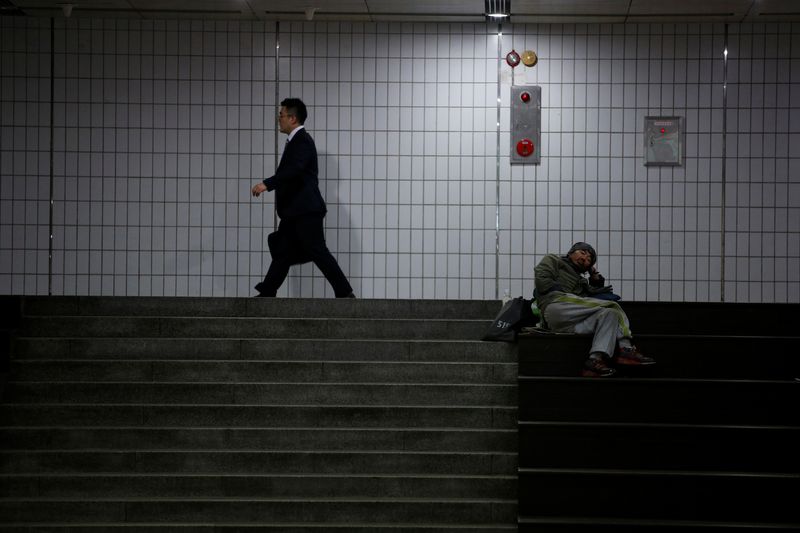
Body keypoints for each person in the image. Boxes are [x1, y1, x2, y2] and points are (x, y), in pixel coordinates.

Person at [251, 98, 354, 298]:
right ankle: (267, 293)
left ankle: (344, 292)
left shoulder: (303, 141)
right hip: (295, 212)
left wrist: (267, 184)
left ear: (293, 118)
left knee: (317, 251)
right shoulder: (296, 141)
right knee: (283, 251)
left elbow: (294, 169)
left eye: (281, 115)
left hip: (305, 211)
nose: (278, 119)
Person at [533, 242, 655, 377]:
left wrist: (594, 278)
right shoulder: (553, 259)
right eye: (583, 252)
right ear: (571, 252)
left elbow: (590, 301)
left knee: (610, 314)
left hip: (571, 322)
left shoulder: (582, 282)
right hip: (555, 305)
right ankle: (626, 348)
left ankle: (594, 361)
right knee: (612, 305)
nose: (586, 258)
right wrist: (559, 290)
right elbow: (541, 280)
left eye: (590, 259)